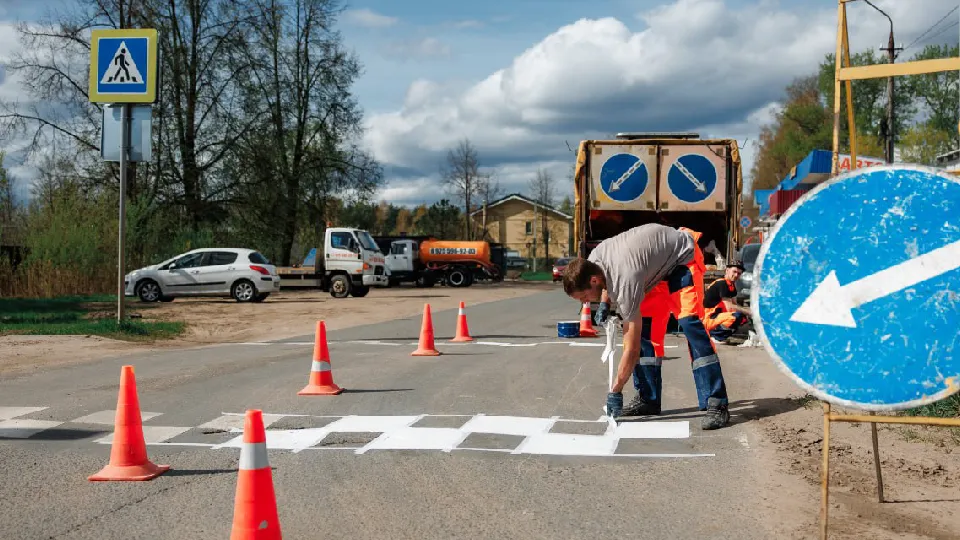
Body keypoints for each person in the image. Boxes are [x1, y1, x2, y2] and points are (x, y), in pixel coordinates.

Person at [563, 223, 730, 430]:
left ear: (593, 280)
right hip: (655, 271)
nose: (585, 303)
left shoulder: (626, 283)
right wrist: (604, 303)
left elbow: (630, 349)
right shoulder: (594, 259)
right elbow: (605, 279)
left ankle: (716, 402)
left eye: (584, 296)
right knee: (647, 333)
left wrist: (616, 389)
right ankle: (648, 399)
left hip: (682, 259)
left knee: (690, 324)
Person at [703, 261, 752, 344]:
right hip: (708, 318)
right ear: (727, 270)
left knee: (742, 318)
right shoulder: (722, 283)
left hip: (716, 317)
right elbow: (730, 307)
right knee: (736, 317)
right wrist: (749, 312)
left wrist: (748, 314)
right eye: (734, 271)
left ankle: (720, 335)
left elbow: (735, 305)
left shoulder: (731, 286)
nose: (736, 275)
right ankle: (715, 336)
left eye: (739, 273)